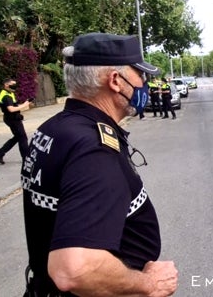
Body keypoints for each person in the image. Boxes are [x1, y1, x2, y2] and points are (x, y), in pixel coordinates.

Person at [20, 33, 178, 297]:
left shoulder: (56, 128)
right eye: (140, 75)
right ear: (116, 81)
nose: (144, 84)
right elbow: (73, 270)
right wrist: (149, 284)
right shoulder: (94, 148)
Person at [0, 78, 32, 165]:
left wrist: (25, 103)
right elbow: (11, 109)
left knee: (18, 137)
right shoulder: (5, 96)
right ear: (6, 85)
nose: (15, 86)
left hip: (13, 118)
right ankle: (26, 158)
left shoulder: (9, 93)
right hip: (12, 119)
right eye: (12, 84)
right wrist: (24, 105)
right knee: (22, 138)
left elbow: (13, 105)